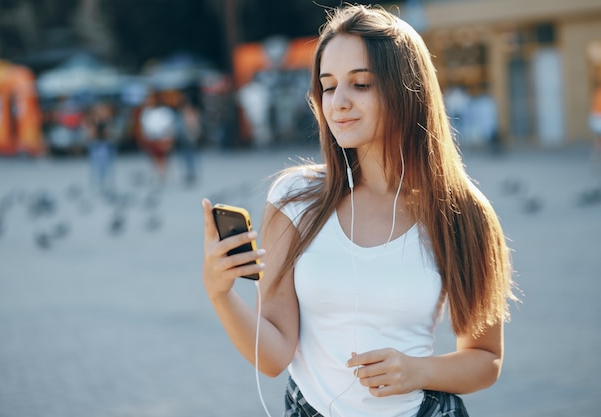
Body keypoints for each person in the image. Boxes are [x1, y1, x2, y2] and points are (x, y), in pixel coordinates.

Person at [202, 5, 517, 417]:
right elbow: (274, 355)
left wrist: (417, 371)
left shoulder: (462, 213)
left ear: (407, 88)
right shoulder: (295, 198)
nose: (339, 103)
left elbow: (485, 358)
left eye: (361, 84)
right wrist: (220, 294)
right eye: (328, 86)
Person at [138, 90, 177, 183]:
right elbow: (145, 125)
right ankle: (157, 174)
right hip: (152, 137)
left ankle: (162, 174)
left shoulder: (164, 111)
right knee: (154, 157)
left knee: (163, 157)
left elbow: (169, 124)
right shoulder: (146, 112)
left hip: (163, 137)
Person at [84, 101, 116, 193]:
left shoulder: (109, 120)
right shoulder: (92, 120)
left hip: (106, 144)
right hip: (96, 145)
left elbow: (111, 134)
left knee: (106, 165)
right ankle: (98, 184)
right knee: (96, 165)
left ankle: (107, 183)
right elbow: (90, 135)